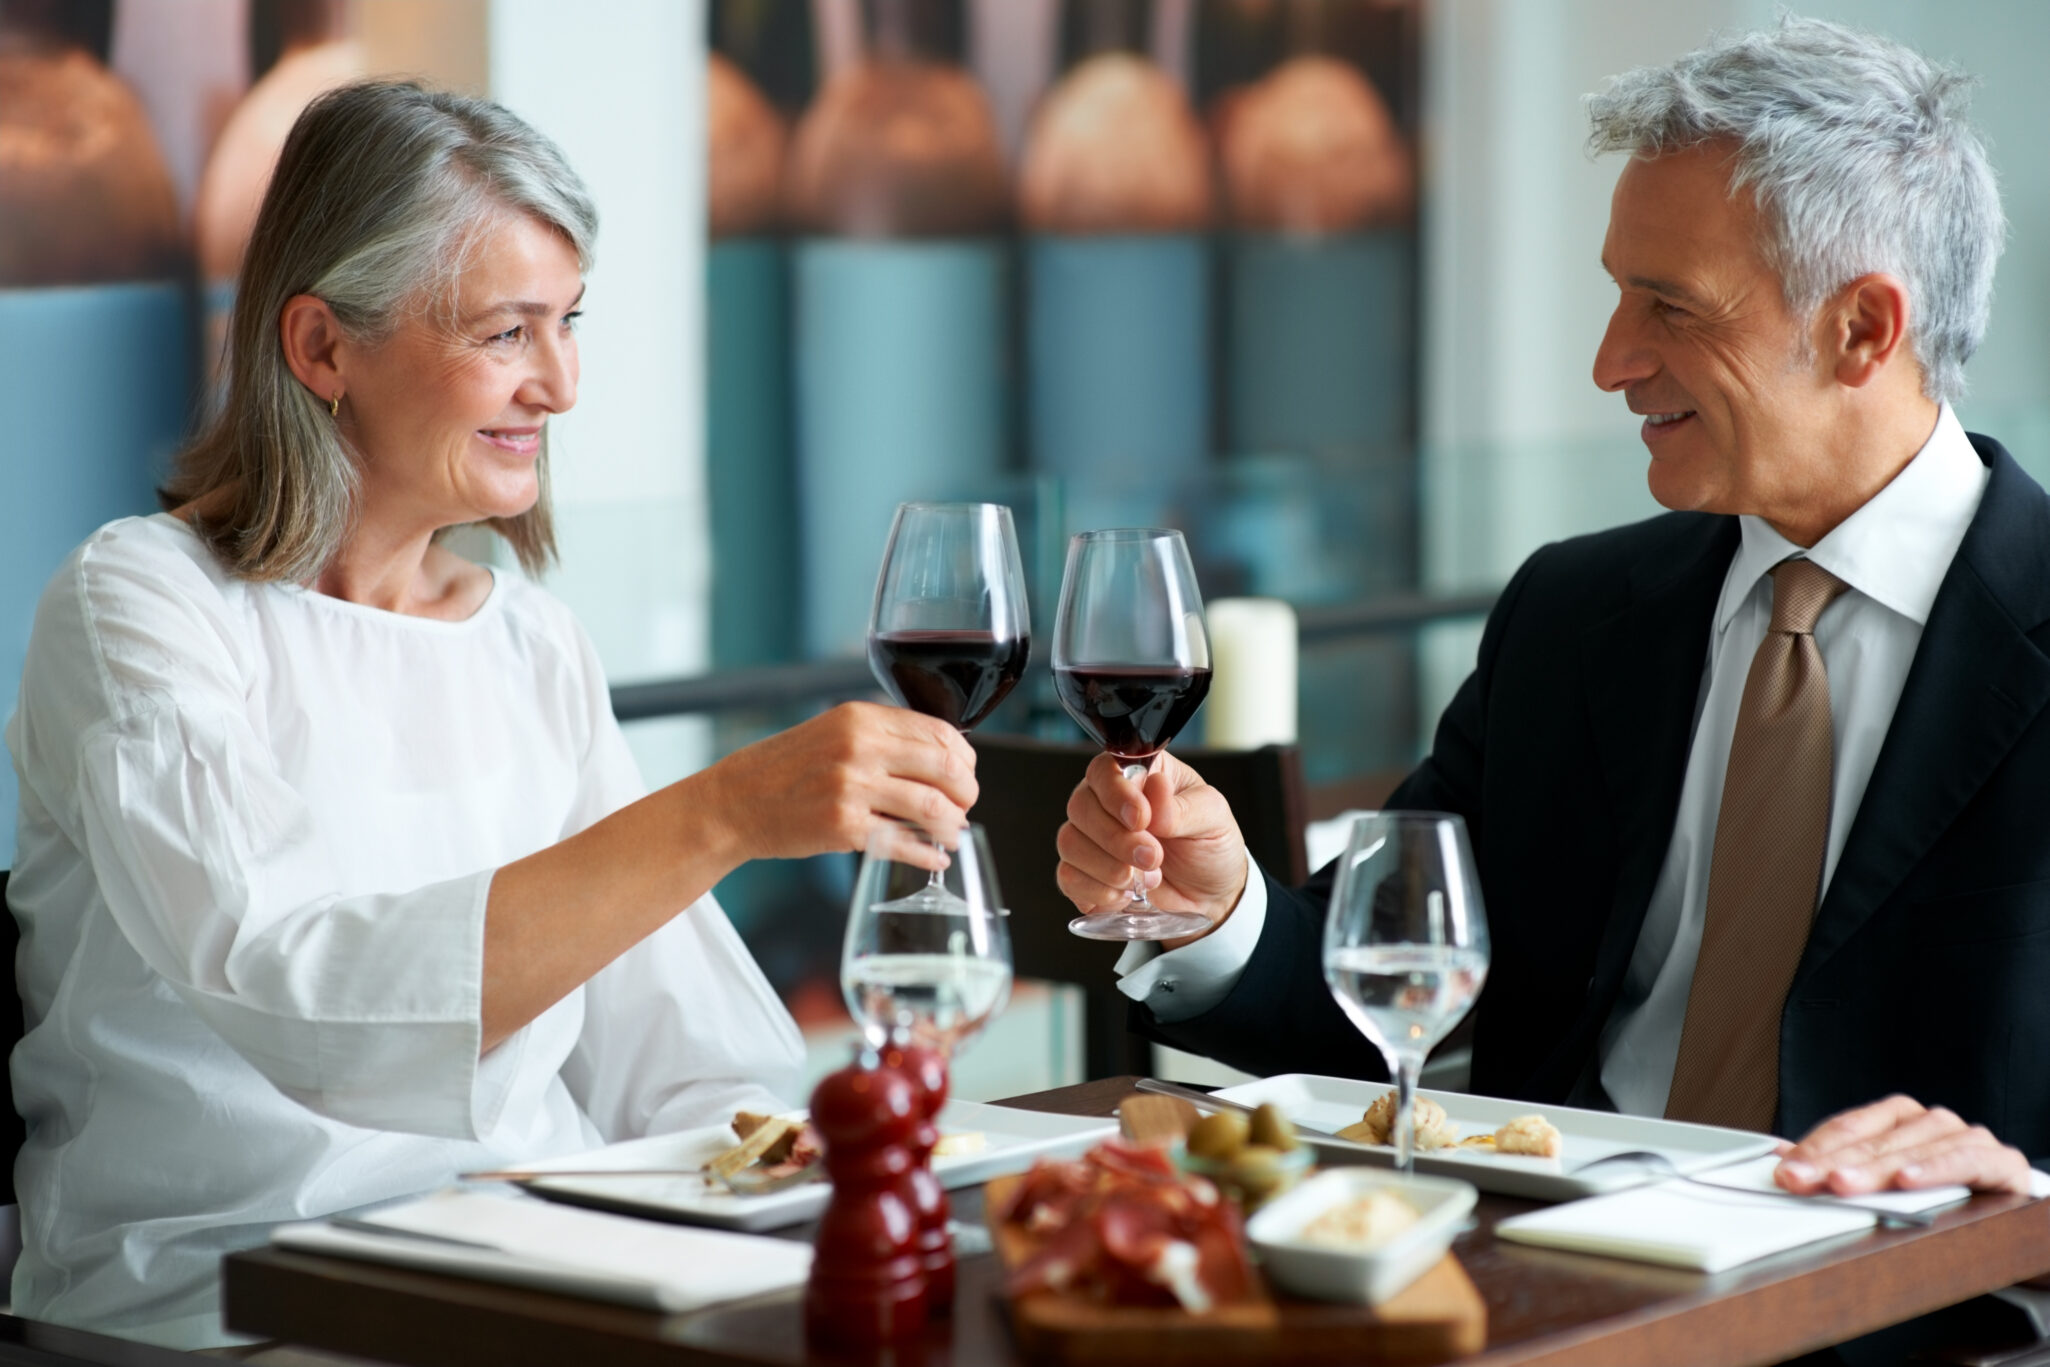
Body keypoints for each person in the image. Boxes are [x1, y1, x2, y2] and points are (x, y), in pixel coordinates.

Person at [3, 81, 977, 1349]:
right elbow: (296, 993)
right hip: (225, 1304)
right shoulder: (139, 606)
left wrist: (822, 1187)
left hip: (536, 1271)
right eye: (507, 332)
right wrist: (728, 808)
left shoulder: (525, 636)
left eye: (569, 323)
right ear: (321, 349)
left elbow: (682, 1067)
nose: (560, 386)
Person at [1058, 14, 2044, 1205]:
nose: (1610, 359)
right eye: (1618, 295)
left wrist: (2029, 1194)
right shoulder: (1572, 617)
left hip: (1908, 1315)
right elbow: (1380, 994)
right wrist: (1216, 908)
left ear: (1861, 330)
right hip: (1538, 1281)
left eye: (1669, 306)